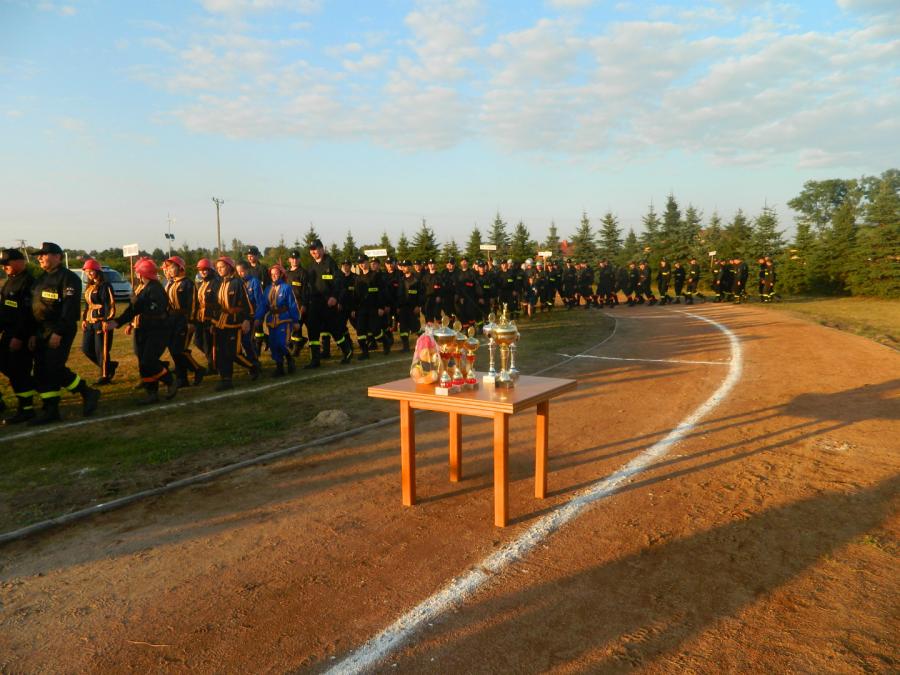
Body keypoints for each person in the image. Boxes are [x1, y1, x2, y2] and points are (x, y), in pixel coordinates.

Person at [28, 242, 100, 424]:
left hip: (59, 329)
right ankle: (50, 409)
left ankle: (86, 392)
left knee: (53, 366)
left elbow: (69, 309)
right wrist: (32, 333)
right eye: (39, 255)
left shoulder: (68, 278)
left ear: (57, 256)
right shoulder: (41, 279)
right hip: (41, 330)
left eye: (44, 254)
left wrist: (58, 332)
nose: (39, 258)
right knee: (42, 369)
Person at [107, 257, 177, 404]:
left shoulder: (155, 289)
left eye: (138, 272)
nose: (136, 275)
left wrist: (138, 302)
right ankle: (152, 393)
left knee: (148, 361)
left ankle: (170, 380)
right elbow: (133, 310)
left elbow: (155, 309)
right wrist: (118, 322)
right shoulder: (145, 288)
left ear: (142, 273)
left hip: (158, 329)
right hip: (145, 329)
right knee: (143, 363)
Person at [0, 248, 37, 424]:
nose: (4, 267)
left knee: (19, 371)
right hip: (8, 334)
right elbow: (4, 310)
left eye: (7, 264)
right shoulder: (9, 282)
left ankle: (26, 409)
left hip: (20, 336)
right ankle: (31, 388)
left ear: (19, 262)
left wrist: (20, 337)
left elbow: (29, 314)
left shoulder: (29, 282)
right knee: (8, 367)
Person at [303, 239, 352, 367]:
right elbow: (307, 287)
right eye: (311, 250)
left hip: (328, 303)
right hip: (314, 303)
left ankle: (347, 350)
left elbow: (338, 282)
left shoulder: (330, 263)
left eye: (316, 249)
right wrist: (305, 303)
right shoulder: (311, 267)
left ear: (322, 249)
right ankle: (315, 360)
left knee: (334, 329)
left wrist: (334, 297)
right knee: (312, 330)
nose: (313, 252)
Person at [211, 256, 258, 388]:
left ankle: (253, 366)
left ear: (229, 267)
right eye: (218, 267)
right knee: (222, 352)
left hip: (235, 322)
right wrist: (214, 323)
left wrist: (247, 320)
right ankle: (226, 379)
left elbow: (246, 303)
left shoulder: (238, 283)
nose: (219, 269)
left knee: (233, 353)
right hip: (221, 322)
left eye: (222, 267)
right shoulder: (219, 283)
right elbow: (217, 306)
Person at [163, 256, 205, 387]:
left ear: (180, 268)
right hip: (172, 320)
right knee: (173, 350)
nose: (169, 270)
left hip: (183, 320)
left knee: (180, 349)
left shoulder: (188, 283)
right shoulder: (170, 283)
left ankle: (197, 369)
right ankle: (182, 378)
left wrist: (191, 322)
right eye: (168, 268)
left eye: (172, 268)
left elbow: (193, 304)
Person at [80, 258, 118, 384]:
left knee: (101, 351)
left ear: (97, 271)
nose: (89, 273)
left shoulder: (105, 286)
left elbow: (110, 304)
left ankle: (105, 376)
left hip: (101, 322)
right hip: (90, 322)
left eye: (91, 271)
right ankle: (109, 366)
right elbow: (87, 304)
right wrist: (84, 319)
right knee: (86, 349)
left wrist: (108, 320)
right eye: (86, 271)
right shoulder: (89, 286)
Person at [353, 253, 391, 359]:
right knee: (360, 331)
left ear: (367, 262)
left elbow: (382, 292)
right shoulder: (358, 278)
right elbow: (355, 295)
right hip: (362, 309)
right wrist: (353, 308)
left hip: (373, 307)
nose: (361, 265)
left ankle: (385, 342)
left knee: (375, 331)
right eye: (360, 263)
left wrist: (381, 307)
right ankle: (365, 352)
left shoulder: (375, 276)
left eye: (363, 262)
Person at [264, 264, 300, 375]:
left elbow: (292, 304)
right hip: (271, 320)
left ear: (281, 275)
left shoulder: (286, 288)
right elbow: (263, 305)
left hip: (284, 319)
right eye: (272, 274)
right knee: (273, 344)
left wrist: (295, 321)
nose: (274, 276)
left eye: (276, 274)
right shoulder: (267, 289)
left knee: (282, 343)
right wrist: (258, 318)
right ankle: (279, 367)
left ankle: (289, 359)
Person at [193, 258, 218, 373]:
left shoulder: (215, 283)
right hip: (200, 318)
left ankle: (212, 365)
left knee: (208, 343)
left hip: (210, 318)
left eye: (205, 270)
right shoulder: (201, 283)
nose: (202, 272)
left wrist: (214, 320)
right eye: (200, 270)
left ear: (210, 270)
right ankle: (213, 360)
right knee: (197, 341)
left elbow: (218, 303)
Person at [285, 250, 309, 357]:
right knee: (289, 326)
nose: (294, 260)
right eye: (292, 258)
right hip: (288, 305)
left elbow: (306, 290)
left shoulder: (303, 273)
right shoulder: (286, 273)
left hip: (299, 304)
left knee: (297, 326)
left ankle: (296, 349)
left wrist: (304, 304)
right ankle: (298, 342)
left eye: (296, 258)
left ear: (299, 259)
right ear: (289, 260)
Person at [396, 260, 422, 351]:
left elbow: (421, 294)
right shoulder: (401, 280)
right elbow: (398, 295)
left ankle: (424, 342)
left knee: (415, 327)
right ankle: (405, 346)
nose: (403, 268)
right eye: (402, 266)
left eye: (405, 266)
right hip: (403, 308)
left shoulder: (416, 280)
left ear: (410, 267)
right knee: (403, 328)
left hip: (413, 308)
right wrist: (398, 306)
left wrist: (418, 306)